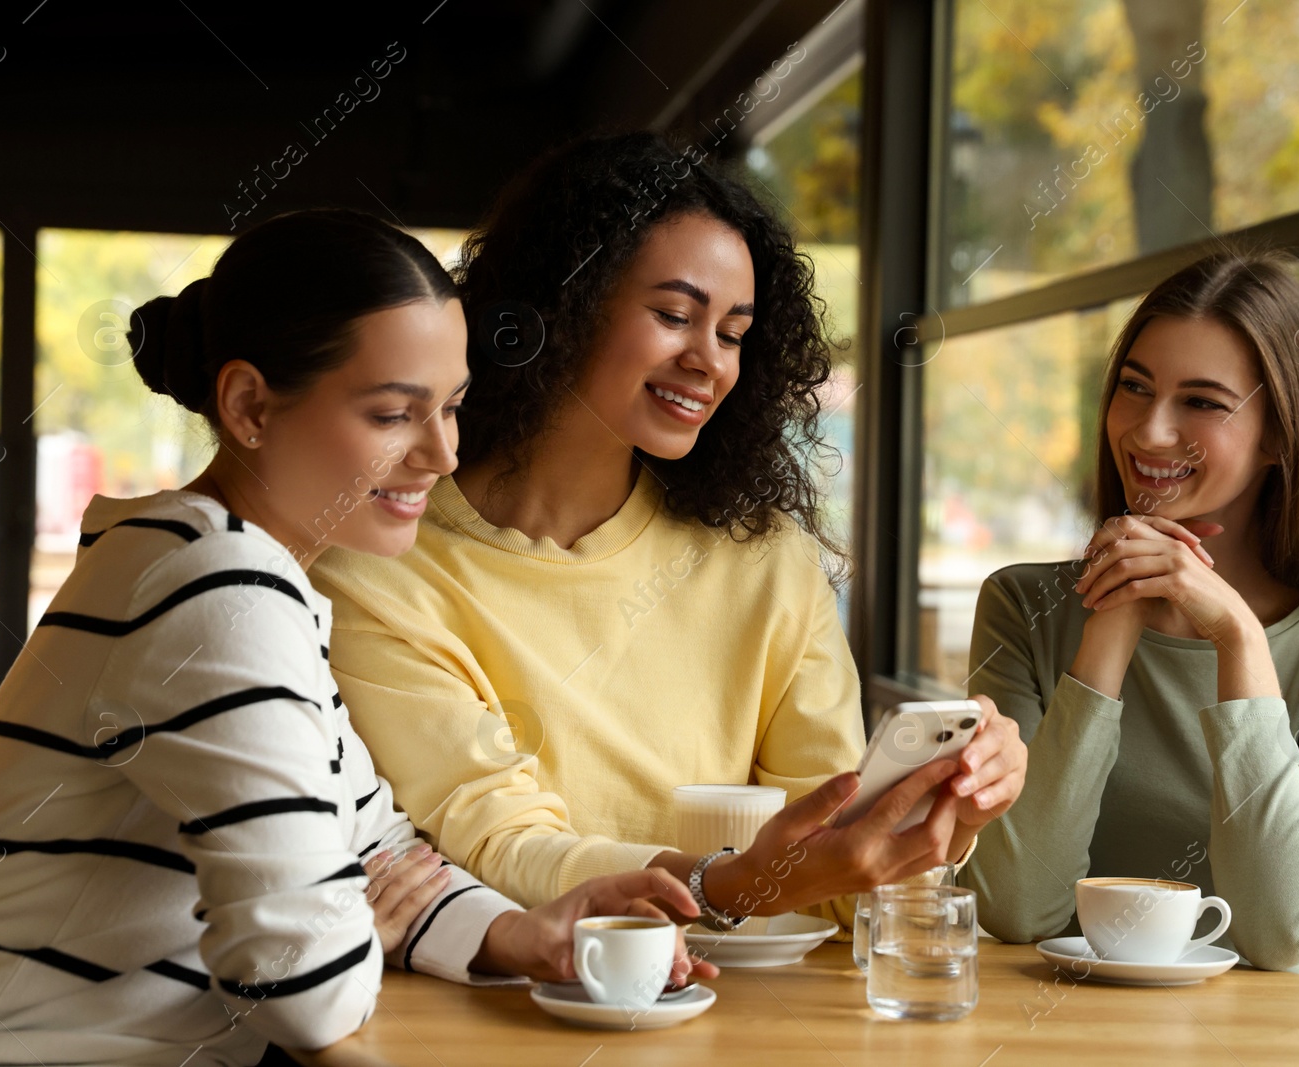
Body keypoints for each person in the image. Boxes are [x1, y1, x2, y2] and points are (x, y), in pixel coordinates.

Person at [0, 209, 711, 1067]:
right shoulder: (215, 592)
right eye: (392, 415)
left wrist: (522, 933)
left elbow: (377, 846)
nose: (441, 453)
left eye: (452, 407)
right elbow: (304, 986)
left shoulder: (236, 572)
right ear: (250, 405)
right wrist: (351, 919)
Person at [311, 132, 1028, 931]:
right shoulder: (380, 562)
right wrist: (726, 884)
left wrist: (942, 809)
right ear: (564, 302)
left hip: (735, 1016)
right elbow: (498, 843)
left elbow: (830, 866)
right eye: (675, 315)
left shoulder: (767, 561)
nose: (710, 361)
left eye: (732, 333)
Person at [960, 248, 1299, 986]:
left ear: (1279, 434)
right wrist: (1108, 633)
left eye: (1203, 402)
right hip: (1084, 1035)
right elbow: (1017, 906)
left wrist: (1239, 637)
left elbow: (1281, 933)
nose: (1149, 431)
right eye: (1134, 387)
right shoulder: (1022, 608)